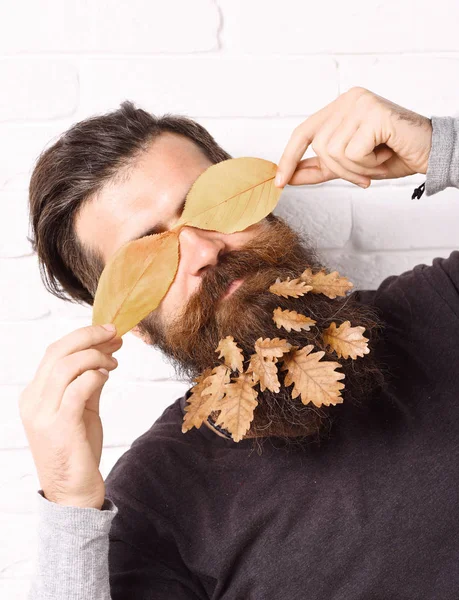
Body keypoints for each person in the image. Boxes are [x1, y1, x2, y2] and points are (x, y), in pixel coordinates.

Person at [20, 87, 459, 599]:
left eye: (210, 207)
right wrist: (69, 506)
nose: (204, 250)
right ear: (133, 320)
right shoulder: (155, 502)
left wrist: (442, 148)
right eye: (150, 253)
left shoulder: (439, 306)